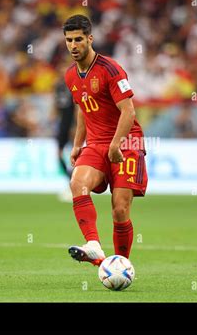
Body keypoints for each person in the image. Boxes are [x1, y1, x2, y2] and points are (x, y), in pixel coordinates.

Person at [63, 15, 148, 266]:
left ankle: (120, 264)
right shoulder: (70, 76)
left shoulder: (110, 69)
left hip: (126, 142)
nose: (73, 45)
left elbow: (129, 111)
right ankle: (94, 246)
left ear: (90, 39)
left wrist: (115, 145)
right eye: (69, 40)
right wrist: (78, 144)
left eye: (78, 39)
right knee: (77, 183)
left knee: (120, 209)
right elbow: (83, 109)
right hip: (97, 143)